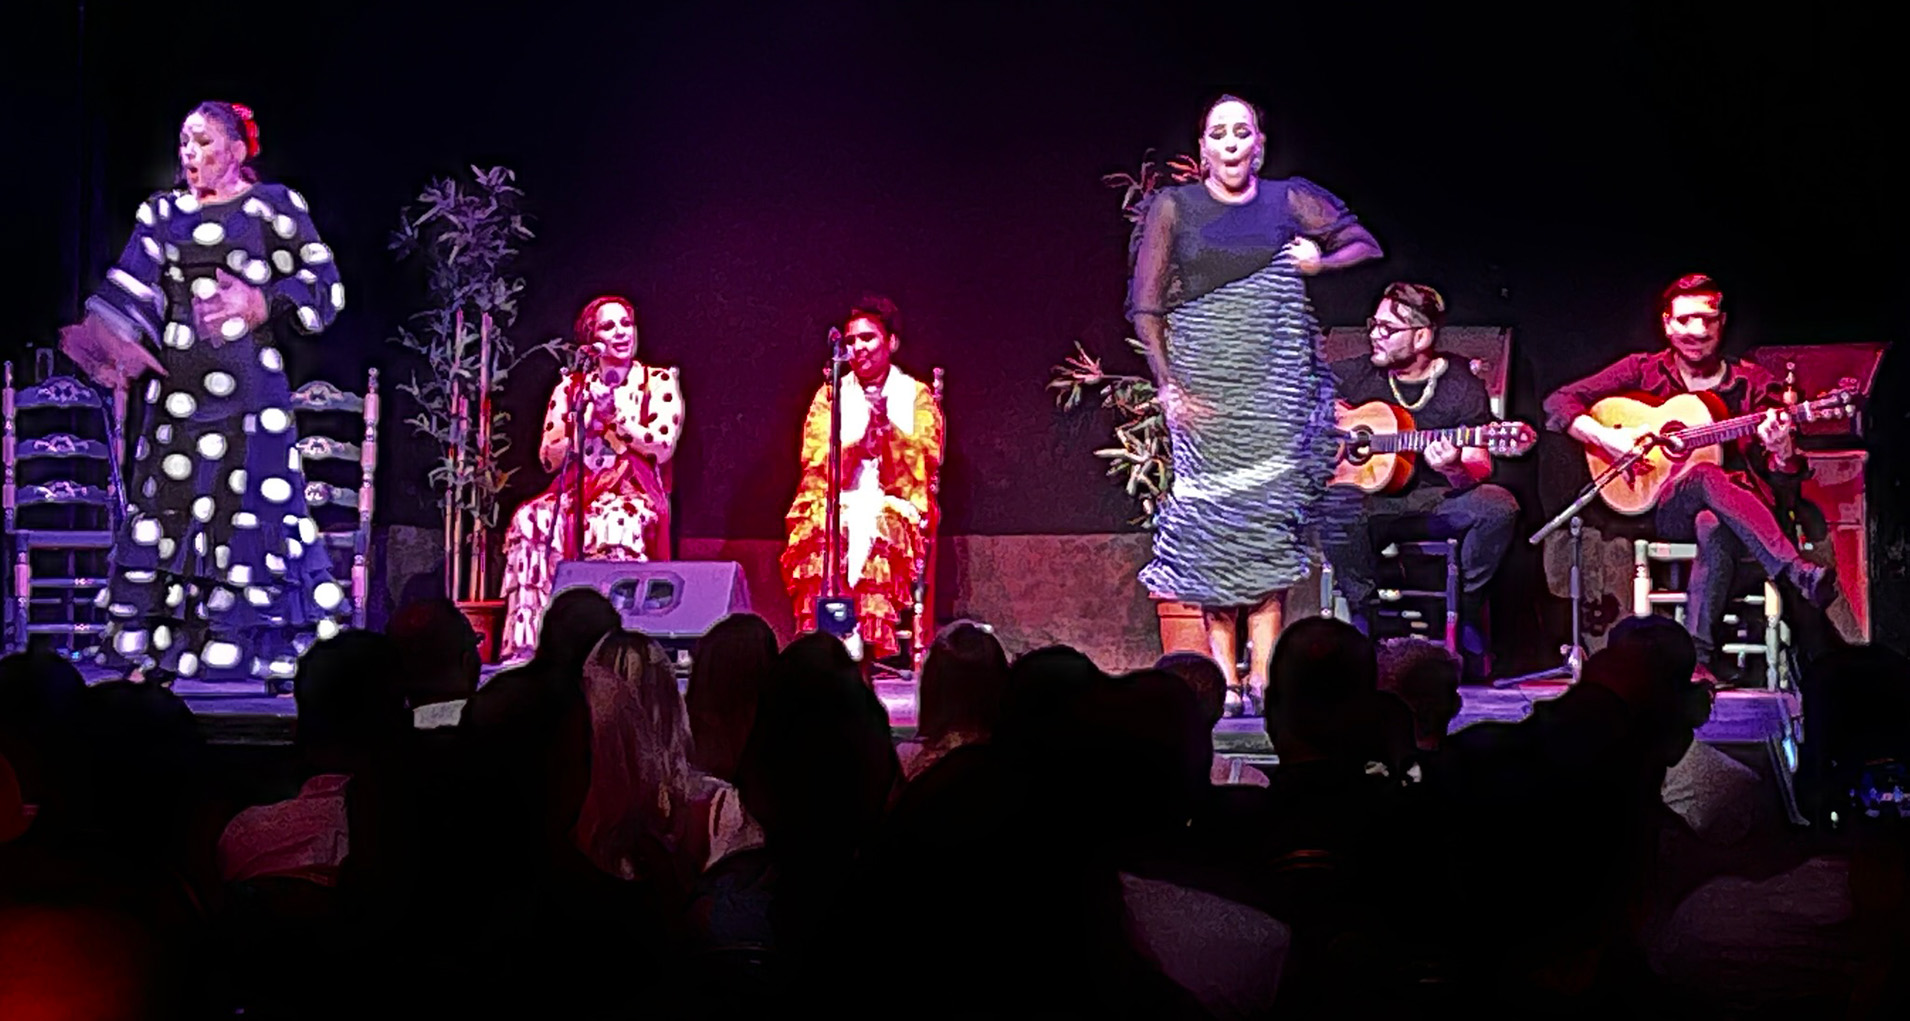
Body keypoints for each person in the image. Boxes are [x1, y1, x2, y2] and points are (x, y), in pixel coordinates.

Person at [59, 101, 349, 685]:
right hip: (179, 401)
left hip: (251, 404)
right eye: (185, 143)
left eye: (204, 143)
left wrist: (261, 300)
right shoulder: (162, 213)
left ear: (238, 151)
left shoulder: (274, 207)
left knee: (250, 517)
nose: (190, 155)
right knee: (171, 513)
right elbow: (132, 292)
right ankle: (167, 650)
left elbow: (326, 289)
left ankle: (259, 651)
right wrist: (107, 343)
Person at [1128, 94, 1383, 714]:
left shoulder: (1287, 199)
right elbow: (1147, 305)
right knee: (1217, 532)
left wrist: (1320, 259)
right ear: (1203, 150)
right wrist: (1169, 386)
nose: (1233, 142)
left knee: (1268, 532)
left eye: (1243, 132)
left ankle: (1265, 675)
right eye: (1220, 133)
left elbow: (1366, 244)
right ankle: (1225, 680)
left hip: (1276, 395)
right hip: (1206, 396)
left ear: (1259, 145)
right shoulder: (1174, 208)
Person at [1542, 273, 1837, 683]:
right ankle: (1795, 571)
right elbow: (1558, 402)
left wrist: (1782, 450)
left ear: (1722, 322)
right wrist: (1607, 438)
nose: (1696, 331)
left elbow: (1785, 483)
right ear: (1667, 323)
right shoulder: (1643, 371)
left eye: (1707, 320)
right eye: (1684, 321)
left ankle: (1698, 660)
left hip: (1747, 522)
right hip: (1667, 509)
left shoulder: (1754, 385)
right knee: (1702, 474)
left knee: (1711, 522)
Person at [1325, 282, 1520, 680]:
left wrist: (1453, 468)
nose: (1374, 334)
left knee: (1498, 506)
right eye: (1373, 325)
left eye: (1387, 328)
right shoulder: (1353, 375)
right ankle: (1370, 623)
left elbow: (1479, 465)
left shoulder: (1461, 383)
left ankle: (1465, 611)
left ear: (1422, 335)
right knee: (1334, 508)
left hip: (1435, 503)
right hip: (1371, 507)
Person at [499, 295, 682, 659]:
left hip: (633, 492)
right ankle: (529, 650)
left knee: (615, 522)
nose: (621, 333)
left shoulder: (658, 381)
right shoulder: (570, 388)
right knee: (530, 519)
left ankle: (617, 649)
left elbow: (662, 446)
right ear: (591, 339)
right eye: (608, 326)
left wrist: (616, 417)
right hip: (578, 491)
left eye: (626, 324)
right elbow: (548, 458)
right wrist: (585, 420)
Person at [780, 294, 945, 663]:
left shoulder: (915, 395)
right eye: (852, 340)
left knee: (878, 526)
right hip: (840, 494)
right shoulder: (830, 395)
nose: (858, 348)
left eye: (868, 338)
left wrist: (885, 433)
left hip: (893, 498)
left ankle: (865, 648)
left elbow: (925, 460)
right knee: (818, 527)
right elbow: (815, 458)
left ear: (892, 342)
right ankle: (823, 643)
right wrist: (857, 444)